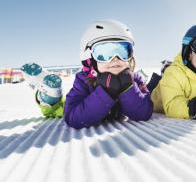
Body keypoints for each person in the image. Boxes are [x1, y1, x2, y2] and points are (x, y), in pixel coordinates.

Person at [21, 20, 153, 129]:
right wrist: (105, 93)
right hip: (80, 105)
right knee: (59, 109)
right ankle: (49, 95)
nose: (115, 58)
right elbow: (73, 118)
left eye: (123, 51)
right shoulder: (84, 80)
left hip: (116, 101)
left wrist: (128, 89)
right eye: (105, 53)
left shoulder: (135, 79)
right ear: (89, 58)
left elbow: (144, 112)